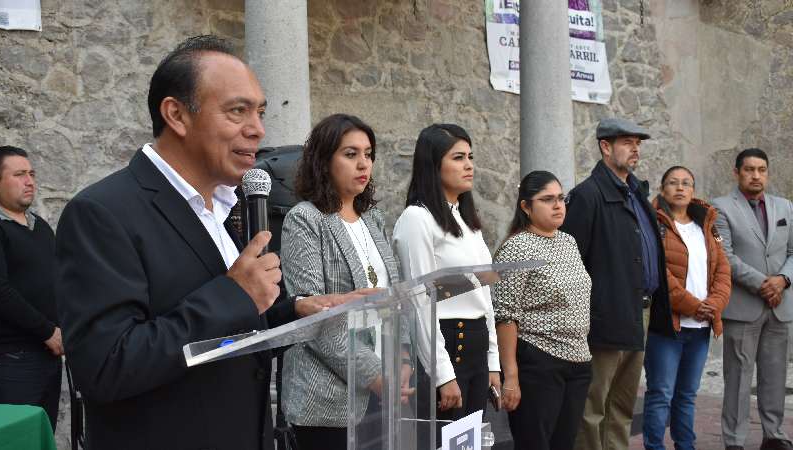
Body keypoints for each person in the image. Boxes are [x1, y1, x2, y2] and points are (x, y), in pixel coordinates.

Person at [54, 35, 362, 450]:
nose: (258, 129)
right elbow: (107, 366)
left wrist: (297, 313)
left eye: (260, 112)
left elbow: (229, 333)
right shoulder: (102, 213)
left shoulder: (229, 207)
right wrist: (235, 294)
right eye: (238, 111)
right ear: (177, 115)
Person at [279, 113, 411, 450]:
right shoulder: (306, 219)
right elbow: (317, 316)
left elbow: (396, 298)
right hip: (328, 402)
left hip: (384, 387)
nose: (363, 164)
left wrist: (404, 359)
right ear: (323, 161)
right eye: (350, 154)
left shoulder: (373, 218)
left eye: (368, 154)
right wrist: (375, 375)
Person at [561, 117, 674, 450]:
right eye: (627, 142)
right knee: (593, 407)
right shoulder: (587, 195)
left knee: (622, 406)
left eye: (638, 143)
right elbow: (572, 263)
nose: (635, 148)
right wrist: (590, 315)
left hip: (640, 313)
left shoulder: (636, 192)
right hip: (605, 317)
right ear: (605, 147)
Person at [393, 124, 502, 446]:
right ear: (433, 164)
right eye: (458, 157)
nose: (469, 165)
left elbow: (485, 298)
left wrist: (492, 363)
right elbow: (419, 302)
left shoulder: (468, 221)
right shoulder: (417, 219)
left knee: (472, 443)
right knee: (443, 442)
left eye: (470, 157)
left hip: (476, 343)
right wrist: (443, 375)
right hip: (446, 342)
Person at [493, 170, 592, 450]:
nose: (558, 205)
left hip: (578, 361)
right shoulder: (516, 248)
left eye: (561, 198)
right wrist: (510, 376)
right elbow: (505, 315)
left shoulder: (568, 242)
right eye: (547, 199)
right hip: (539, 361)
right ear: (526, 206)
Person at [641, 166, 731, 450]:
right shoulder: (654, 225)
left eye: (686, 183)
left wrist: (713, 305)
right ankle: (654, 446)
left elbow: (722, 271)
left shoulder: (706, 225)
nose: (680, 188)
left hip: (700, 328)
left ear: (693, 190)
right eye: (673, 183)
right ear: (663, 189)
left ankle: (685, 445)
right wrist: (694, 306)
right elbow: (660, 274)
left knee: (688, 394)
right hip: (667, 326)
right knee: (661, 394)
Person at [713, 148, 793, 450]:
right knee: (737, 381)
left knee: (775, 378)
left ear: (767, 173)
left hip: (780, 307)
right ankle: (734, 441)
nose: (756, 175)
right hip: (743, 307)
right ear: (737, 173)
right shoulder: (720, 208)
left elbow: (792, 252)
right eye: (749, 169)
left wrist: (783, 280)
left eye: (761, 169)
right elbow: (725, 257)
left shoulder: (785, 206)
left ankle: (774, 436)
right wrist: (765, 284)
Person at [0, 146, 63, 430]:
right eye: (19, 174)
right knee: (16, 437)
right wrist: (48, 331)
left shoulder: (41, 227)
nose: (30, 181)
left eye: (31, 174)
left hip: (47, 355)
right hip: (11, 359)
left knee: (40, 435)